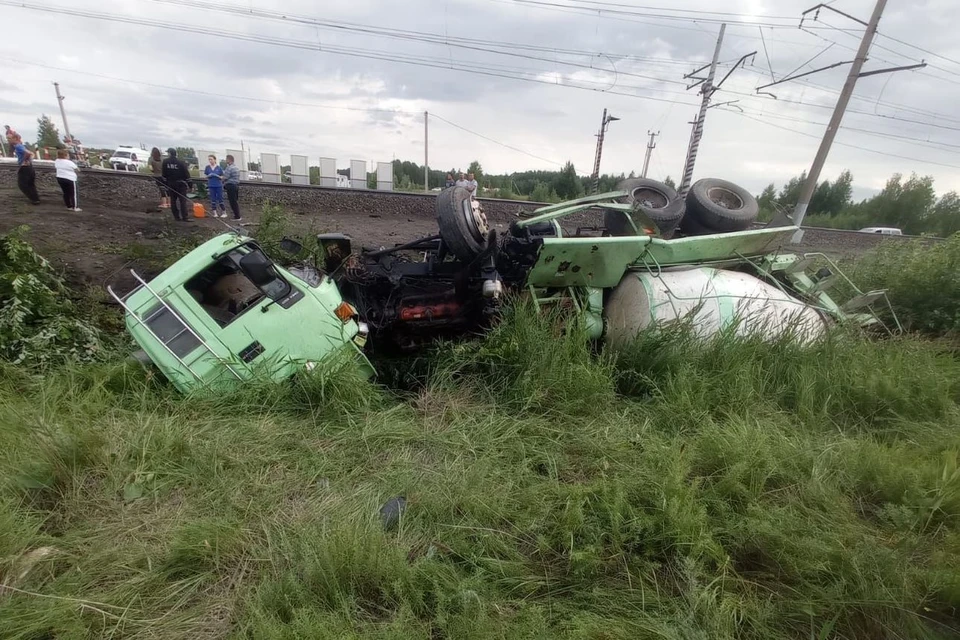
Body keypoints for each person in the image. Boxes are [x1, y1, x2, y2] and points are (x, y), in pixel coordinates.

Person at [161, 147, 192, 222]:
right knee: (182, 201)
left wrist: (166, 184)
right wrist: (190, 185)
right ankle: (185, 217)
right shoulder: (181, 162)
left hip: (171, 184)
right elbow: (186, 174)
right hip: (181, 184)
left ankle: (176, 217)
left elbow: (164, 175)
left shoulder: (165, 162)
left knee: (173, 201)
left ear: (169, 153)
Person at [12, 135, 40, 205]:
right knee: (30, 184)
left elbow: (28, 153)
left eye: (9, 138)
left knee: (22, 184)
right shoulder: (20, 146)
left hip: (25, 167)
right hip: (29, 167)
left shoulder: (18, 146)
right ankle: (35, 199)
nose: (8, 140)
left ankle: (33, 199)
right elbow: (31, 154)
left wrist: (24, 161)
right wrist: (29, 160)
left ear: (15, 138)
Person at [222, 154, 242, 221]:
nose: (225, 161)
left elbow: (225, 177)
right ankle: (237, 215)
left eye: (226, 159)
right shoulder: (236, 167)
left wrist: (220, 178)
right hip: (236, 185)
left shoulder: (229, 168)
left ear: (229, 160)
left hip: (230, 186)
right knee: (235, 201)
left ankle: (237, 216)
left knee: (232, 201)